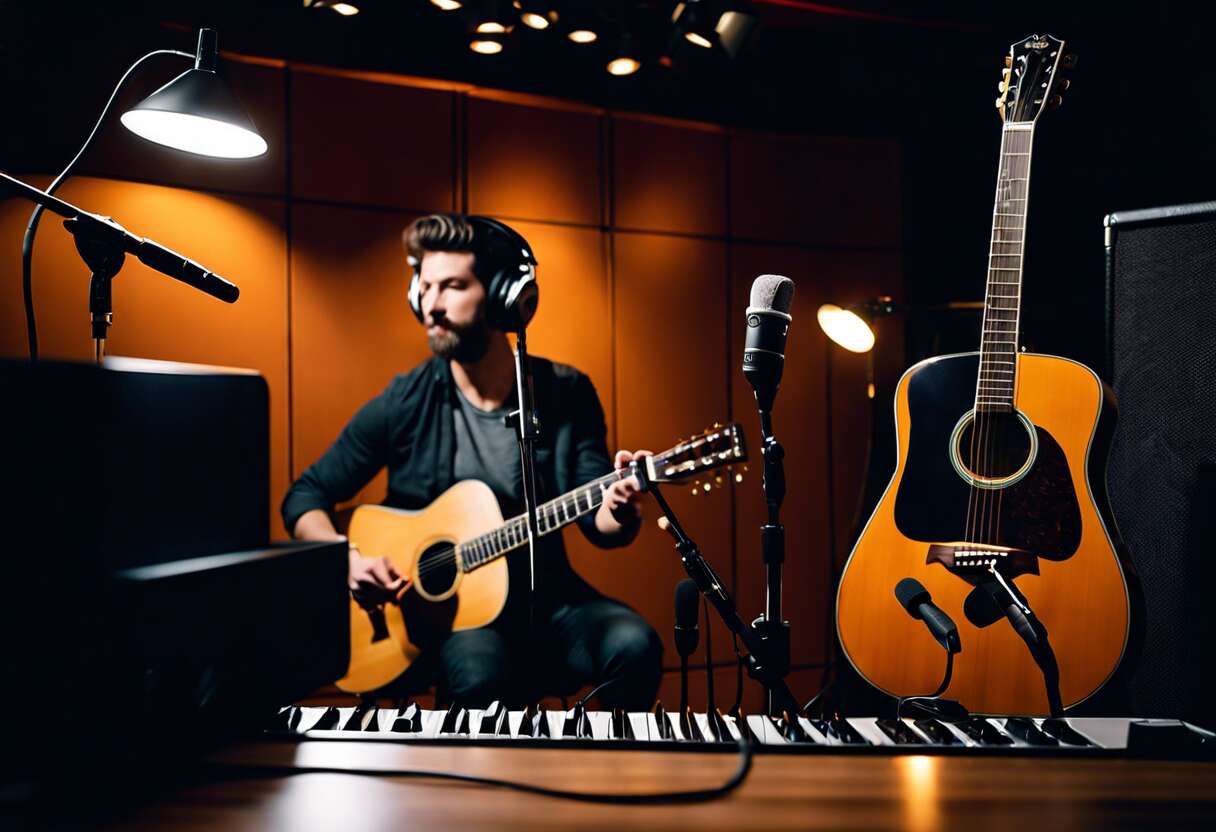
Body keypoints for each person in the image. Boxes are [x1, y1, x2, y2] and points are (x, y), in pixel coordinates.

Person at [282, 213, 663, 709]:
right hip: (453, 616)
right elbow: (305, 496)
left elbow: (598, 518)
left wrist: (620, 504)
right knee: (480, 673)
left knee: (636, 647)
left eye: (453, 286)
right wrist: (347, 561)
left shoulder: (565, 392)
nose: (431, 305)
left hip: (550, 601)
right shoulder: (405, 401)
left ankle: (582, 766)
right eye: (425, 285)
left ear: (505, 296)